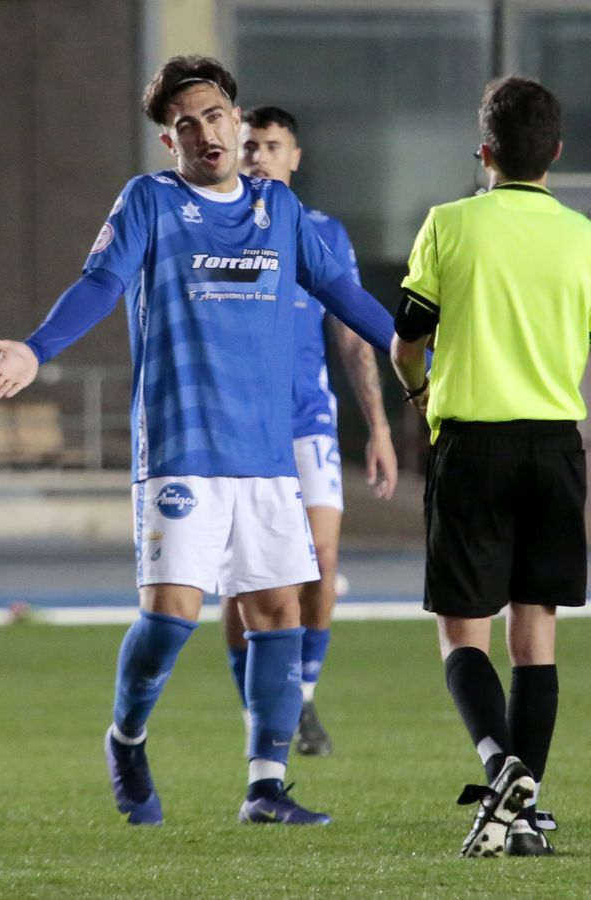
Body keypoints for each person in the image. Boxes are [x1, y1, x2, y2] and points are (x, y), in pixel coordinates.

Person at [0, 55, 396, 827]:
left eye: (215, 117)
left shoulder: (281, 211)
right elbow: (101, 284)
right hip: (180, 446)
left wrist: (421, 361)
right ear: (169, 144)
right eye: (185, 126)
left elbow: (345, 295)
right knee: (171, 615)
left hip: (267, 455)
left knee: (279, 613)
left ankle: (266, 787)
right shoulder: (150, 202)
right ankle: (126, 738)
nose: (205, 133)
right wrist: (37, 348)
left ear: (239, 124)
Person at [389, 75, 591, 858]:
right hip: (556, 449)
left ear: (484, 151)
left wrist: (418, 390)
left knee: (463, 631)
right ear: (556, 153)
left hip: (471, 445)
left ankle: (499, 768)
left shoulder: (449, 225)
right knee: (536, 636)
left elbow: (407, 339)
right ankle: (525, 815)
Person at [219, 105, 398, 758]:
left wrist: (378, 425)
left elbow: (351, 336)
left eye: (271, 146)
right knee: (245, 579)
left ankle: (305, 698)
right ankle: (256, 717)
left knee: (320, 559)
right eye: (249, 146)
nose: (259, 156)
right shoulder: (218, 228)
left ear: (295, 157)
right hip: (238, 428)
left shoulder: (322, 232)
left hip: (306, 422)